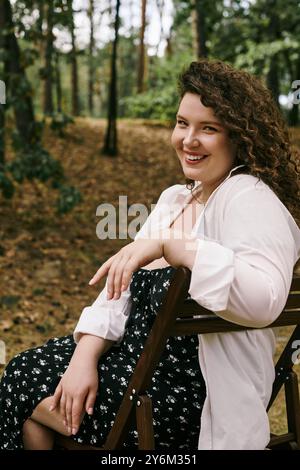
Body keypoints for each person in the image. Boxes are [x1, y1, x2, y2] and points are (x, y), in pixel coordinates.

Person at [1, 59, 300, 451]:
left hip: (185, 398)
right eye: (182, 123)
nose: (188, 140)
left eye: (208, 128)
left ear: (240, 137)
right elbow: (117, 291)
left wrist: (173, 246)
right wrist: (84, 357)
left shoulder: (248, 197)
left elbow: (264, 300)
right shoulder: (177, 199)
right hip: (134, 368)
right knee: (34, 387)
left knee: (22, 384)